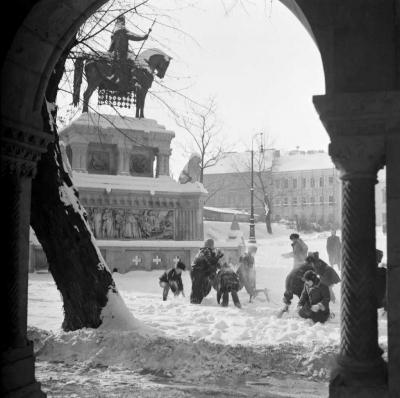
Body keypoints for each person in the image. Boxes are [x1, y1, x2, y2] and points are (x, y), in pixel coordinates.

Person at [108, 15, 149, 89]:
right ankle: (133, 79)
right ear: (122, 21)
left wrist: (110, 52)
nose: (124, 22)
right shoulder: (122, 29)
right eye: (123, 20)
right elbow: (133, 36)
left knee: (131, 55)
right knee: (134, 60)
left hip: (114, 52)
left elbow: (112, 44)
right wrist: (143, 37)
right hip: (122, 53)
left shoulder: (114, 30)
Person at [190, 239, 224, 304]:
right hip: (197, 271)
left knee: (205, 287)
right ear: (210, 245)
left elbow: (215, 263)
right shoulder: (205, 250)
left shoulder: (209, 252)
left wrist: (220, 263)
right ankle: (194, 303)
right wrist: (218, 256)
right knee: (197, 289)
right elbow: (210, 261)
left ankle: (198, 301)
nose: (213, 246)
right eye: (212, 245)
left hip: (202, 272)